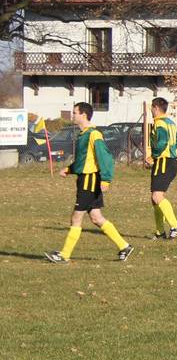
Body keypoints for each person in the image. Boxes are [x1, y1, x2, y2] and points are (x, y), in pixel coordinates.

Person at [45, 102, 133, 263]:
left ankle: (64, 255)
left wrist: (106, 179)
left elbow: (105, 158)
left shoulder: (94, 134)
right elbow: (83, 160)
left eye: (75, 112)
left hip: (89, 180)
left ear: (83, 115)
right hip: (85, 179)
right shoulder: (83, 134)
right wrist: (69, 169)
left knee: (76, 217)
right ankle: (124, 246)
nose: (72, 115)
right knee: (96, 217)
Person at [146, 97, 177, 239]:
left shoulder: (160, 123)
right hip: (170, 161)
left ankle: (175, 226)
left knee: (157, 197)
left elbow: (162, 142)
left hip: (163, 162)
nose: (151, 110)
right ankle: (160, 232)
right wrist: (171, 148)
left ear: (156, 108)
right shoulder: (170, 123)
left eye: (151, 108)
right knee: (155, 198)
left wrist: (154, 155)